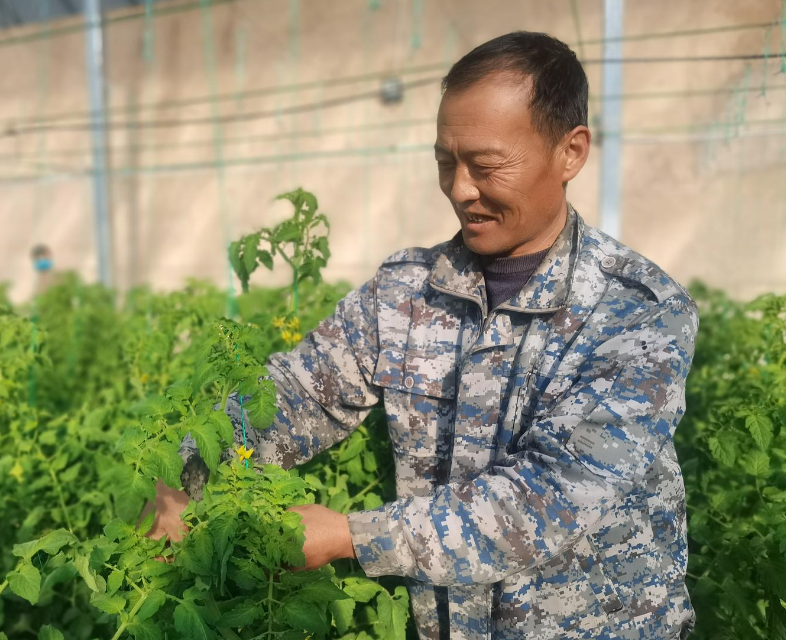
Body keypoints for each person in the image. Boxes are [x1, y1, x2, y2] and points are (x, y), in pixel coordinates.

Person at [148, 32, 699, 640]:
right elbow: (298, 394)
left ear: (570, 153)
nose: (461, 189)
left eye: (486, 166)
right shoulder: (407, 290)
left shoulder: (636, 313)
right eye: (445, 162)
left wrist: (349, 536)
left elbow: (544, 500)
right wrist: (184, 471)